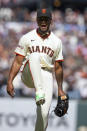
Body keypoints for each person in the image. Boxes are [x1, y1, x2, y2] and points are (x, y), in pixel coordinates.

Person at [7, 8, 67, 131]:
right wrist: (10, 81)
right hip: (29, 73)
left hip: (46, 75)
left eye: (46, 19)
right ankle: (39, 92)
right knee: (35, 55)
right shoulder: (27, 37)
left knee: (44, 114)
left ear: (51, 21)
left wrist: (60, 89)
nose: (43, 22)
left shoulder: (57, 41)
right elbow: (18, 61)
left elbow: (58, 67)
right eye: (40, 19)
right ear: (36, 21)